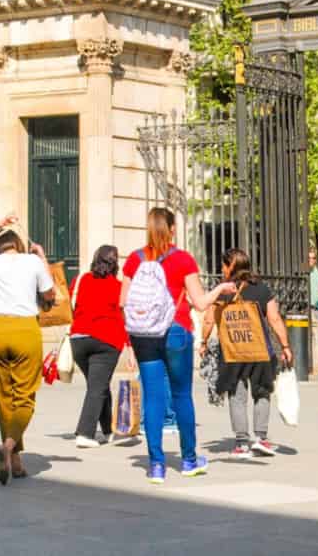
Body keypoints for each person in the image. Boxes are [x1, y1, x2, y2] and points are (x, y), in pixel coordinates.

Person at [123, 205, 235, 483]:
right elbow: (199, 303)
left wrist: (129, 342)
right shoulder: (183, 259)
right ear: (172, 229)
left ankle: (157, 465)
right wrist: (221, 288)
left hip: (144, 335)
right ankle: (188, 459)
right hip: (176, 330)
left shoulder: (135, 260)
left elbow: (123, 302)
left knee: (153, 397)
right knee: (182, 395)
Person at [0, 213, 55, 484]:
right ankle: (8, 447)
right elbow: (51, 293)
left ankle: (14, 461)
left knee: (3, 395)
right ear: (19, 244)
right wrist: (41, 256)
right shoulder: (32, 261)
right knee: (25, 396)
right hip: (25, 331)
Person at [197, 249, 291, 459]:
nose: (221, 269)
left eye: (223, 265)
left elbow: (209, 319)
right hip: (259, 350)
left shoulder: (222, 291)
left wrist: (203, 341)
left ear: (232, 266)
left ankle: (241, 443)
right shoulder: (261, 289)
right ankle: (261, 438)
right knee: (262, 392)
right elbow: (274, 319)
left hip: (233, 351)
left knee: (237, 396)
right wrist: (285, 346)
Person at [67, 244, 127, 448]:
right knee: (97, 387)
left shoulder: (82, 279)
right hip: (106, 340)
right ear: (115, 263)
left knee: (99, 385)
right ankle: (84, 433)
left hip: (79, 339)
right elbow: (123, 315)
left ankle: (108, 430)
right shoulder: (118, 287)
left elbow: (70, 301)